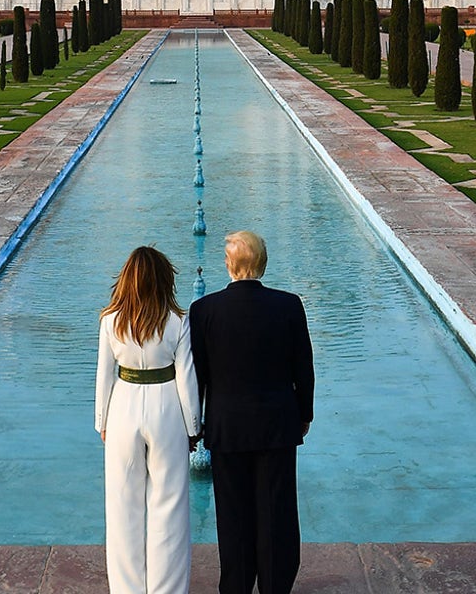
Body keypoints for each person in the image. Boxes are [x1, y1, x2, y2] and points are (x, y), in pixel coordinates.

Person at [189, 230, 314, 594]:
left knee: (233, 514)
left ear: (228, 265)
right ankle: (276, 585)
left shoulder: (204, 310)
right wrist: (304, 415)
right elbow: (303, 369)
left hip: (227, 426)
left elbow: (198, 375)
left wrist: (194, 426)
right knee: (276, 511)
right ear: (263, 262)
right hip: (277, 423)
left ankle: (237, 585)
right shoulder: (289, 305)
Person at [97, 246, 201, 594]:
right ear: (163, 280)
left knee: (123, 506)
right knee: (169, 506)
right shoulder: (177, 320)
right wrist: (193, 428)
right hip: (167, 408)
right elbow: (187, 379)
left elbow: (104, 376)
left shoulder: (110, 320)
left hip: (123, 408)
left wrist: (103, 423)